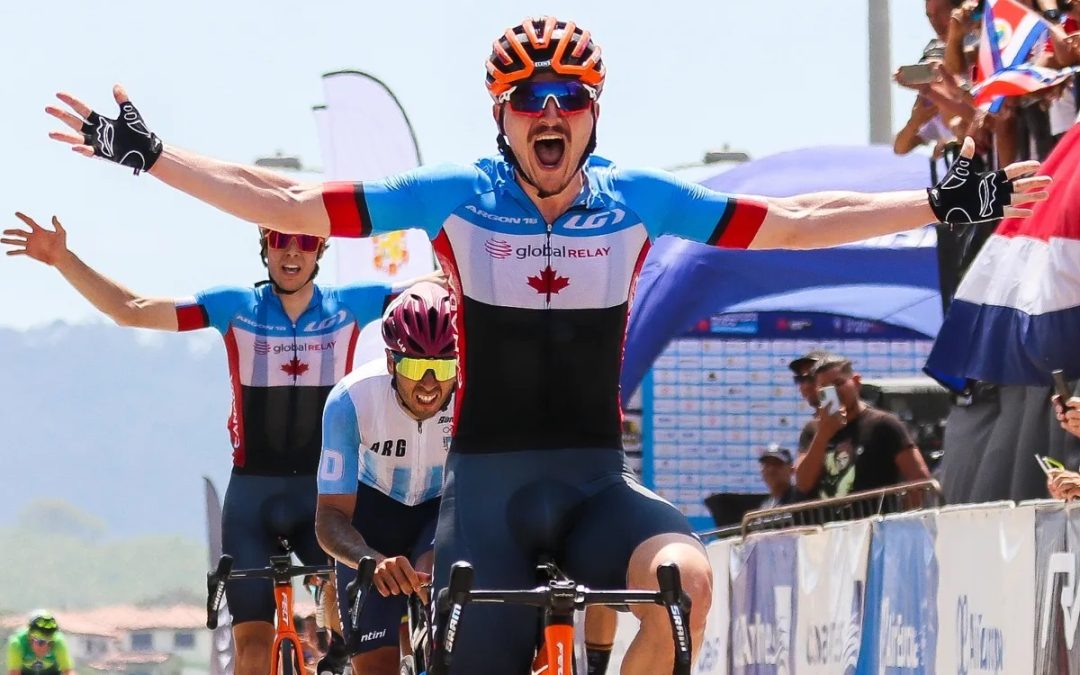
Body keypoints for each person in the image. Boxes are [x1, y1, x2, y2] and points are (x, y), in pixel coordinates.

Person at [46, 16, 1049, 673]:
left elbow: (791, 216)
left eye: (570, 100)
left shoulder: (637, 200)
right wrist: (149, 156)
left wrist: (938, 197)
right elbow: (290, 199)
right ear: (503, 118)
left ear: (594, 112)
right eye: (531, 101)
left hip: (595, 481)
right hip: (483, 492)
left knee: (689, 582)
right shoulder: (456, 199)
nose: (551, 114)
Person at [0, 214, 401, 675]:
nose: (293, 251)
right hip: (251, 498)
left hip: (322, 497)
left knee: (347, 625)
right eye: (280, 240)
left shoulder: (354, 303)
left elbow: (439, 287)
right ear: (265, 247)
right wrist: (62, 259)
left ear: (320, 251)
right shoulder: (235, 307)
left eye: (305, 241)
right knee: (251, 648)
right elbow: (131, 308)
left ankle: (335, 656)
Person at [315, 282, 456, 675]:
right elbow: (328, 518)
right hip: (372, 522)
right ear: (392, 362)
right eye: (414, 366)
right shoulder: (351, 400)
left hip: (440, 512)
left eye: (443, 367)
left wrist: (439, 550)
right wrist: (369, 561)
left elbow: (485, 495)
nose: (429, 384)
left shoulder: (474, 397)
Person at [795, 356, 932, 499]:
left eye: (839, 383)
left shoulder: (883, 424)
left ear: (856, 382)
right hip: (827, 520)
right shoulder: (812, 430)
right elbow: (803, 484)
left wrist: (905, 517)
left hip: (872, 519)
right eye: (825, 388)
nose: (834, 393)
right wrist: (823, 435)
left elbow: (920, 479)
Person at [6, 612, 74, 675]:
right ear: (30, 639)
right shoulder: (17, 643)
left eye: (50, 643)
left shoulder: (58, 641)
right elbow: (14, 673)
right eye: (41, 642)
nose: (45, 647)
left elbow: (68, 671)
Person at [757, 444, 801, 508]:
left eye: (777, 463)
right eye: (767, 464)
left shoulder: (799, 497)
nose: (771, 469)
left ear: (791, 470)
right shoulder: (764, 506)